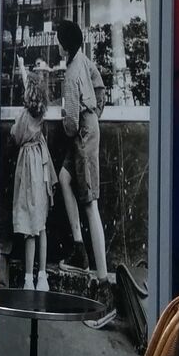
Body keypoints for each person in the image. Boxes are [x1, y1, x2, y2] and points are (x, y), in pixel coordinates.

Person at [57, 19, 109, 283]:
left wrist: (69, 117)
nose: (57, 46)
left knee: (90, 204)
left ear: (64, 46)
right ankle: (79, 249)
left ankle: (102, 278)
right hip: (88, 129)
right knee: (64, 178)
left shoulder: (70, 75)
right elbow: (100, 88)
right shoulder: (84, 61)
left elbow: (70, 125)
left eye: (58, 42)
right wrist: (95, 114)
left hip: (82, 135)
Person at [12, 74, 54, 291]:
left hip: (27, 167)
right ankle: (43, 276)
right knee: (41, 225)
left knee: (29, 226)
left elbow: (16, 136)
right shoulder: (41, 116)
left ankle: (28, 278)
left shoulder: (24, 116)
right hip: (41, 165)